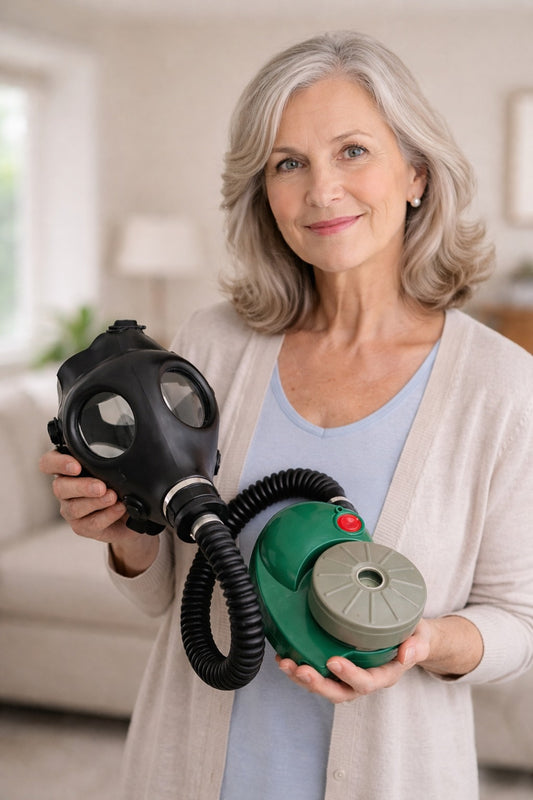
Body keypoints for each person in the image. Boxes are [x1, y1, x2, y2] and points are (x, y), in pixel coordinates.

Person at [40, 30, 533, 800]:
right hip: (189, 769)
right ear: (263, 192)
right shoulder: (212, 344)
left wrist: (422, 641)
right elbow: (167, 595)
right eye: (288, 163)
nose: (320, 191)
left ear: (415, 174)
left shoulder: (501, 386)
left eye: (352, 152)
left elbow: (520, 621)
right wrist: (123, 532)